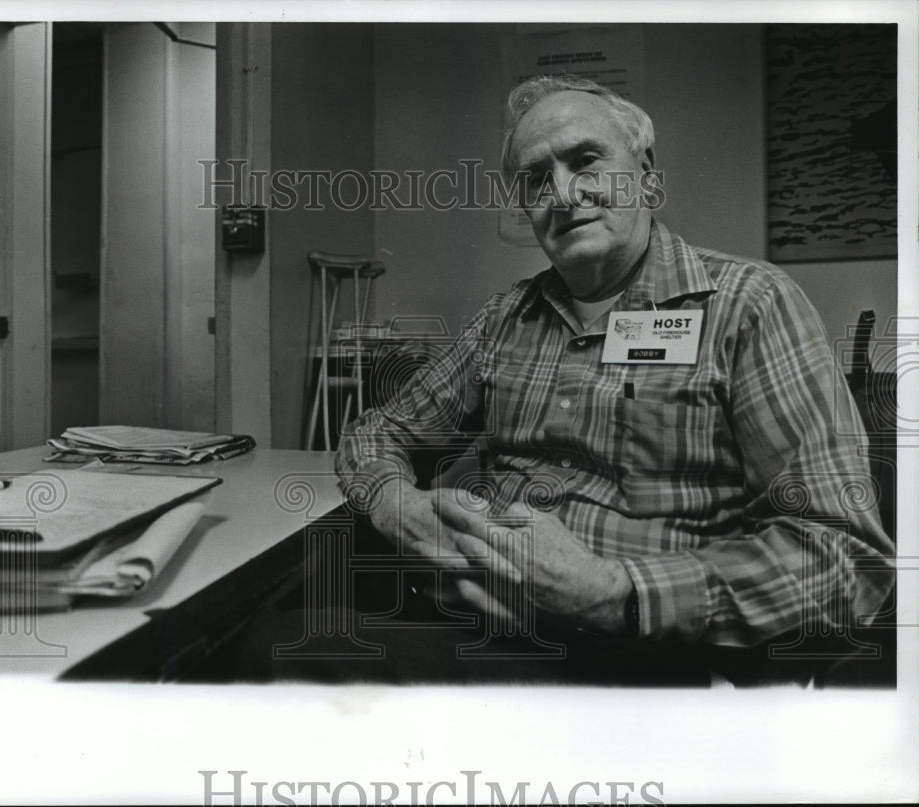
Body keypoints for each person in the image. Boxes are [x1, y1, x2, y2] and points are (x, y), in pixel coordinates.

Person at [333, 74, 894, 672]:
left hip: (642, 657)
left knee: (281, 663)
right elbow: (375, 433)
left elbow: (844, 558)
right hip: (478, 623)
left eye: (586, 160)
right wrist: (397, 506)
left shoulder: (748, 305)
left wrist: (613, 591)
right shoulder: (503, 320)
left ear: (647, 175)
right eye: (537, 179)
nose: (564, 193)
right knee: (279, 631)